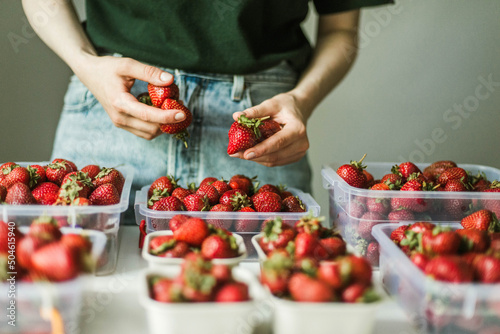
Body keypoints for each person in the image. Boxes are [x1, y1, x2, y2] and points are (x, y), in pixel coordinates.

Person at [22, 0, 392, 223]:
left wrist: (302, 99)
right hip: (112, 101)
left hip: (259, 121)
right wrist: (86, 64)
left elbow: (341, 30)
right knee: (80, 288)